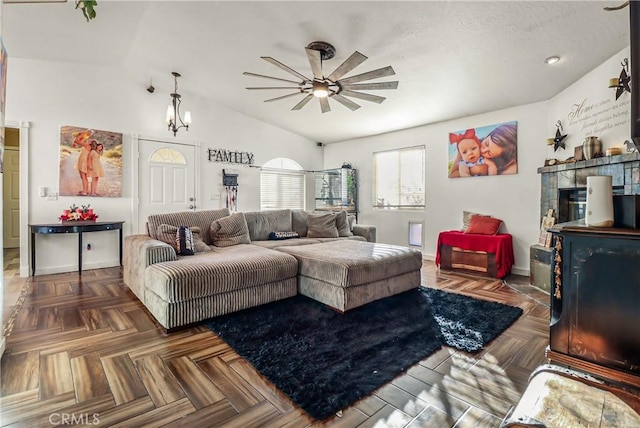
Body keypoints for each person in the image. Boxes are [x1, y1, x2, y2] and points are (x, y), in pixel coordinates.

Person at [72, 129, 93, 195]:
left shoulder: (87, 145)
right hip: (83, 161)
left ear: (91, 143)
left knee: (83, 177)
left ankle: (85, 192)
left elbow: (76, 140)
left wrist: (82, 135)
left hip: (83, 162)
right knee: (83, 177)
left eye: (90, 140)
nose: (89, 139)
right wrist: (82, 136)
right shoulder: (88, 146)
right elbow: (79, 141)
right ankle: (85, 190)